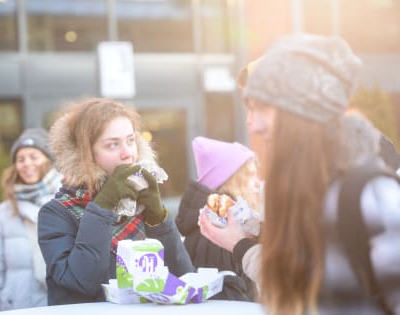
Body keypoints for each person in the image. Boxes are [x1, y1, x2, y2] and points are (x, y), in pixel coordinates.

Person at [199, 33, 400, 314]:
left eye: (261, 109)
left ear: (301, 112)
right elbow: (296, 293)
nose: (252, 124)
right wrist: (246, 240)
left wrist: (241, 245)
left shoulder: (371, 194)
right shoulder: (290, 187)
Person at [38, 98, 194, 305]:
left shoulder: (140, 204)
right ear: (85, 154)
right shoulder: (56, 213)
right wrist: (103, 205)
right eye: (112, 145)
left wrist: (158, 219)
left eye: (130, 141)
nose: (127, 153)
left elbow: (182, 277)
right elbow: (81, 282)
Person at [0, 128, 62, 312]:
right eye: (21, 159)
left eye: (33, 156)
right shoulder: (2, 214)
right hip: (15, 308)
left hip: (58, 307)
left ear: (49, 160)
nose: (27, 164)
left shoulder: (66, 205)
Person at [176, 136, 263, 301]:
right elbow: (226, 299)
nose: (258, 183)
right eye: (251, 175)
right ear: (229, 181)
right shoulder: (218, 228)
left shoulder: (220, 222)